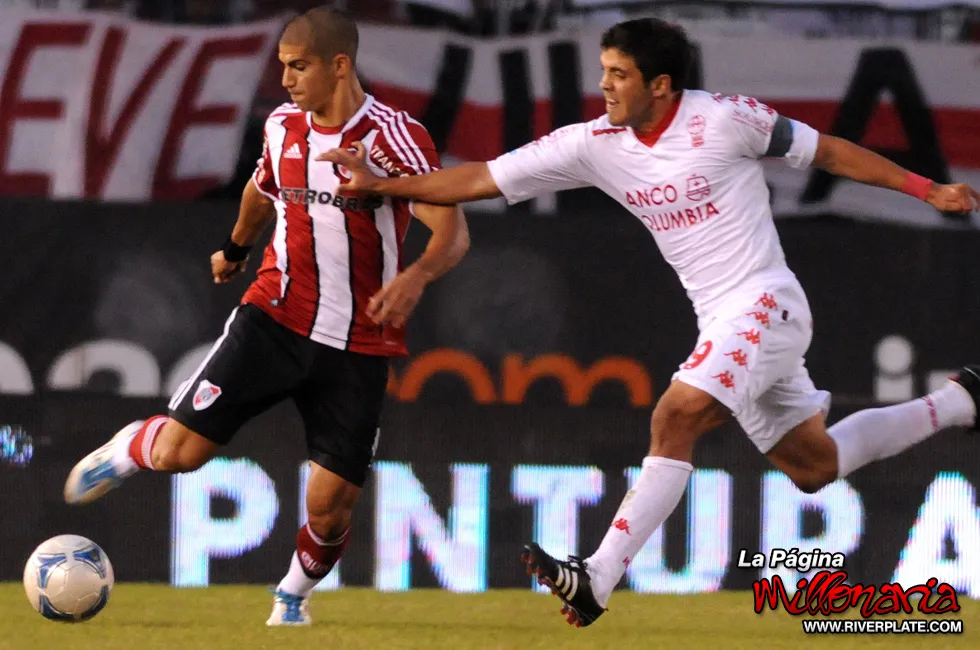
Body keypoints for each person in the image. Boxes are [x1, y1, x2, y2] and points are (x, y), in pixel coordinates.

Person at [319, 17, 980, 627]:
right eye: (603, 70)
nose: (603, 84)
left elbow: (830, 152)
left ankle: (598, 576)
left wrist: (929, 190)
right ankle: (958, 402)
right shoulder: (592, 144)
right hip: (722, 320)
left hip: (767, 304)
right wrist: (383, 185)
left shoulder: (726, 121)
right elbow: (478, 180)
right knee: (814, 465)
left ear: (660, 86)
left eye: (618, 73)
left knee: (676, 413)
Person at [63, 6, 470, 627]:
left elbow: (453, 230)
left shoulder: (395, 138)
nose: (284, 80)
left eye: (298, 66)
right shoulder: (282, 127)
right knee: (180, 454)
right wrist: (236, 246)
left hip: (360, 344)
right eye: (281, 66)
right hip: (275, 319)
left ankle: (292, 596)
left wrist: (415, 277)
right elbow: (262, 188)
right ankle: (129, 448)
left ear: (340, 65)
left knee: (330, 509)